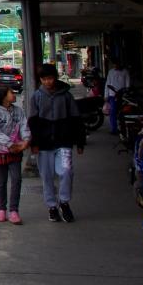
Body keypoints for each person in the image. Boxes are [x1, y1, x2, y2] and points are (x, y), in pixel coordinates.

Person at [29, 63, 85, 223]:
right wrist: (34, 143)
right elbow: (32, 121)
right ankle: (52, 206)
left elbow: (76, 119)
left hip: (64, 141)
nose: (47, 82)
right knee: (46, 176)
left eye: (50, 78)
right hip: (43, 143)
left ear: (55, 77)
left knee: (66, 171)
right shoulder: (37, 96)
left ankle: (64, 202)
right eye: (44, 79)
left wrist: (80, 141)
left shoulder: (66, 96)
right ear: (40, 80)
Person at [0, 84, 30, 223]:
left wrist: (26, 140)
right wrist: (10, 144)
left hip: (16, 151)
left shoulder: (18, 110)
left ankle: (14, 210)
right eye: (11, 92)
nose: (14, 94)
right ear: (4, 96)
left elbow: (24, 126)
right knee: (1, 182)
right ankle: (1, 209)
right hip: (0, 150)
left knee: (17, 180)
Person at [105, 59, 131, 134]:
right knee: (112, 111)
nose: (115, 66)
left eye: (117, 64)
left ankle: (123, 128)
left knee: (123, 112)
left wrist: (126, 92)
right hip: (112, 95)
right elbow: (107, 84)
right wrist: (106, 95)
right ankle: (114, 129)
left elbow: (128, 84)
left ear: (120, 64)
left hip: (122, 96)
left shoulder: (125, 72)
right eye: (114, 64)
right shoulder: (111, 72)